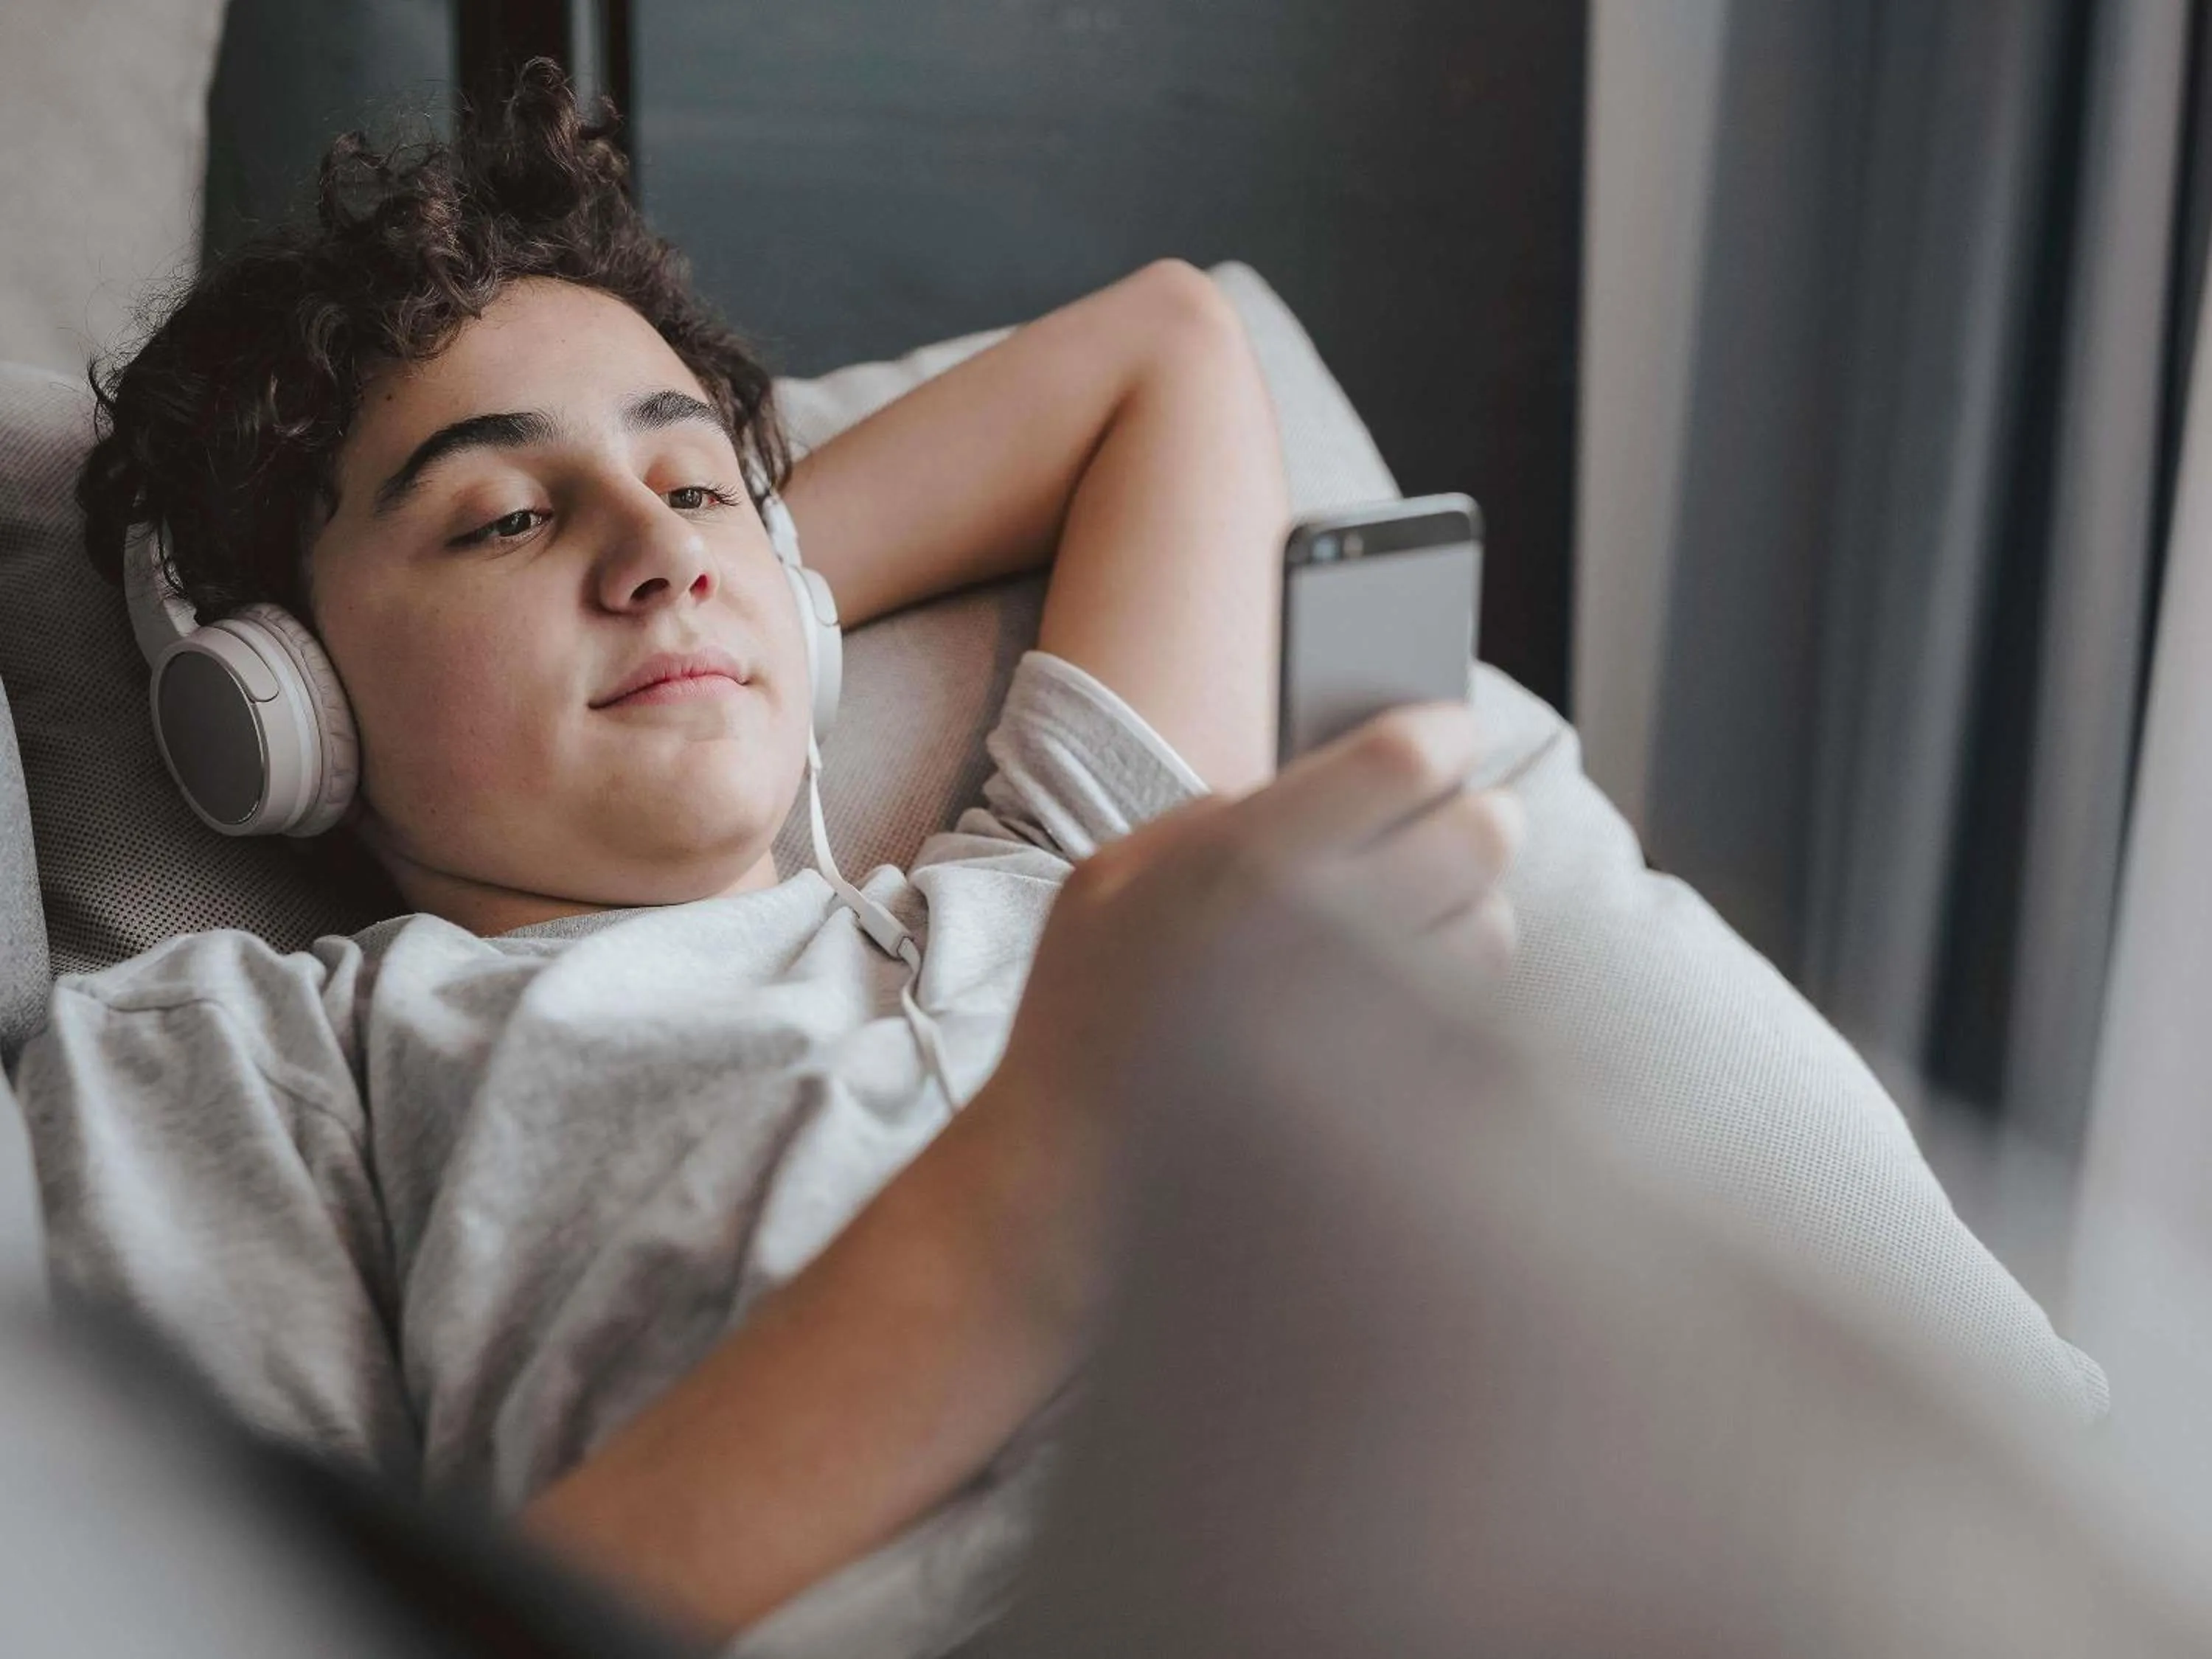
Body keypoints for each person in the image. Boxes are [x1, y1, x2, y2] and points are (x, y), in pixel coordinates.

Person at [7, 61, 1523, 1652]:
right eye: (506, 518)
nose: (659, 551)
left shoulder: (1054, 894)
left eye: (695, 484)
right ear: (280, 697)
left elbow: (1171, 348)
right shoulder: (252, 1052)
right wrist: (1037, 1185)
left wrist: (760, 611)